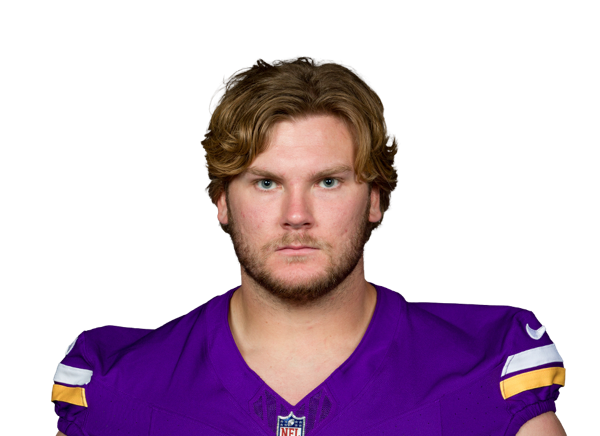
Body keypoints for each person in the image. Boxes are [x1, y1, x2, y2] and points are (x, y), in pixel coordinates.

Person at [51, 56, 566, 435]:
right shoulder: (118, 385)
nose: (296, 215)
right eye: (266, 182)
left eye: (328, 182)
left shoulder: (485, 369)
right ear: (222, 201)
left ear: (375, 199)